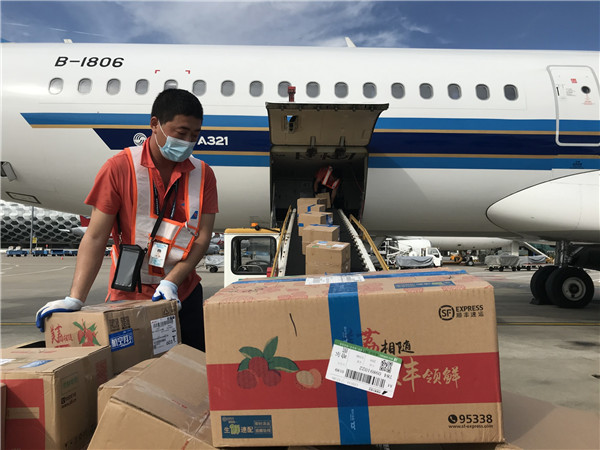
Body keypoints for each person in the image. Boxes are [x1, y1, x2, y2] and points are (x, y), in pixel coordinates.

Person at [35, 89, 218, 352]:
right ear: (154, 124)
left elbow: (202, 237)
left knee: (193, 370)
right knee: (133, 373)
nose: (188, 141)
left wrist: (172, 282)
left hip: (183, 294)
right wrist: (75, 298)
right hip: (129, 297)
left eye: (195, 135)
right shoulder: (119, 168)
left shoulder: (203, 174)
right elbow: (95, 237)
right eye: (181, 133)